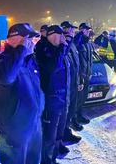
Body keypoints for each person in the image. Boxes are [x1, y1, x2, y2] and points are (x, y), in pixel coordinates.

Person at [0, 23, 44, 164]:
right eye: (27, 39)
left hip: (33, 126)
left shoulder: (29, 61)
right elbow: (6, 77)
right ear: (13, 39)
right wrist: (21, 50)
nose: (30, 43)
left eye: (32, 40)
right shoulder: (1, 61)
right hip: (13, 131)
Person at [35, 25, 71, 164]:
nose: (63, 38)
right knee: (49, 136)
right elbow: (52, 68)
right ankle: (46, 160)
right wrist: (62, 47)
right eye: (61, 35)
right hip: (51, 99)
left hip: (62, 97)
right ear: (52, 35)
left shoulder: (58, 50)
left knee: (58, 134)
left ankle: (53, 159)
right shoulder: (44, 49)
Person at [59, 21, 82, 156]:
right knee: (63, 114)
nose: (73, 31)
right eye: (71, 29)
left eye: (73, 30)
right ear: (65, 30)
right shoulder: (62, 45)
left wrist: (79, 80)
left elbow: (76, 64)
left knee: (71, 109)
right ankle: (59, 140)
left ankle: (66, 133)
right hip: (65, 85)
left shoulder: (72, 44)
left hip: (73, 83)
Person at [73, 23, 93, 130]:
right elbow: (77, 62)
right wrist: (79, 79)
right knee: (77, 99)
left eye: (89, 30)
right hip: (80, 76)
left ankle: (79, 115)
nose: (88, 31)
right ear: (81, 30)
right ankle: (73, 120)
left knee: (83, 98)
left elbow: (89, 61)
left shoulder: (88, 43)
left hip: (87, 75)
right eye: (86, 30)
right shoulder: (78, 42)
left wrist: (89, 73)